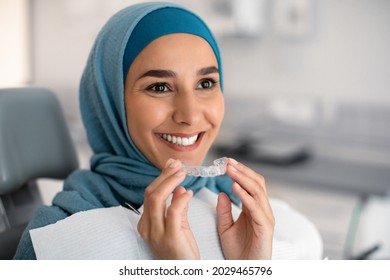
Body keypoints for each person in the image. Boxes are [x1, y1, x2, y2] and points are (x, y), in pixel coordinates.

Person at [13, 2, 277, 260]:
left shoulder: (241, 209)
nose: (190, 115)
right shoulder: (56, 240)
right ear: (111, 102)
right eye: (160, 87)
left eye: (205, 83)